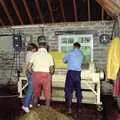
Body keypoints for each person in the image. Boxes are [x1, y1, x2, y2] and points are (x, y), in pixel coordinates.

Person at [28, 42, 55, 107]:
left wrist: (33, 72)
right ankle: (47, 111)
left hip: (36, 75)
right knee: (47, 95)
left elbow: (29, 67)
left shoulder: (34, 54)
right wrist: (51, 73)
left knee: (36, 94)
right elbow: (52, 70)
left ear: (39, 47)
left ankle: (34, 112)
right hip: (46, 75)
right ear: (46, 48)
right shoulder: (49, 55)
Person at [63, 42, 84, 113]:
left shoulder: (70, 53)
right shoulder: (81, 54)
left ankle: (69, 108)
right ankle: (79, 108)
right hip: (78, 73)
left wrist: (67, 61)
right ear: (79, 47)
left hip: (71, 73)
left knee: (69, 90)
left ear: (73, 46)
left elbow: (64, 60)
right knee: (78, 90)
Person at [22, 43, 38, 113]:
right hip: (30, 72)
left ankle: (30, 103)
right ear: (33, 48)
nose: (36, 50)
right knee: (31, 89)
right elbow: (30, 66)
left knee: (32, 89)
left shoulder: (28, 53)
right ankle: (25, 106)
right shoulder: (31, 54)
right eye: (35, 49)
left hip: (28, 71)